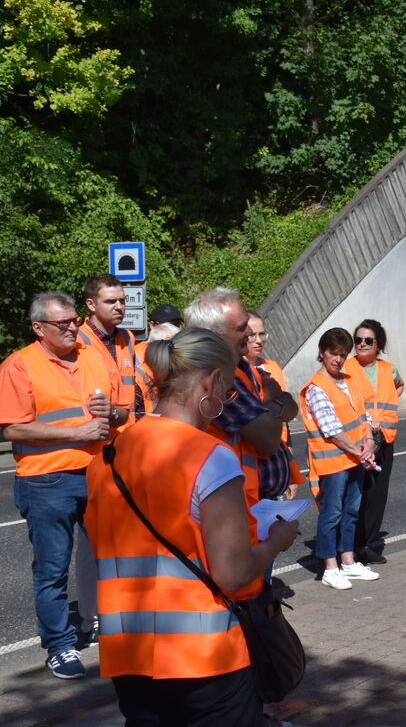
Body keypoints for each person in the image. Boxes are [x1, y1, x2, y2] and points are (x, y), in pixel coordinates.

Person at [86, 328, 299, 724]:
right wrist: (277, 541)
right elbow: (233, 573)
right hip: (203, 656)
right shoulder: (210, 456)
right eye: (228, 387)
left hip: (128, 649)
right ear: (211, 381)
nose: (227, 398)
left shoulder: (108, 458)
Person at [0, 291, 126, 679]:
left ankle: (115, 627)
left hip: (98, 473)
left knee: (114, 559)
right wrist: (79, 429)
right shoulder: (19, 364)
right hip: (46, 480)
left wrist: (114, 412)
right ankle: (59, 646)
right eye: (63, 324)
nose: (74, 328)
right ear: (39, 328)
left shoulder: (93, 355)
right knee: (52, 569)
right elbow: (11, 427)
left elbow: (123, 409)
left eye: (74, 321)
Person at [185, 288, 298, 506]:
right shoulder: (216, 379)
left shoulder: (243, 367)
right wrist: (274, 405)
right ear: (214, 336)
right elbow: (268, 440)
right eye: (240, 327)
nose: (250, 332)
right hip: (236, 501)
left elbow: (290, 406)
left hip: (254, 497)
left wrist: (272, 407)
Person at [299, 328, 381, 588]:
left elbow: (363, 416)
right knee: (332, 513)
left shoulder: (349, 380)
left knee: (351, 511)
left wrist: (368, 443)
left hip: (354, 458)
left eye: (343, 355)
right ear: (322, 353)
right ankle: (330, 566)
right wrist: (360, 451)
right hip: (333, 462)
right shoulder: (317, 387)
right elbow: (331, 429)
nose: (338, 359)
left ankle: (348, 561)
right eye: (334, 354)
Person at [345, 318, 404, 564]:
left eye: (368, 340)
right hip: (358, 440)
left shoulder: (388, 369)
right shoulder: (347, 367)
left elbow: (399, 386)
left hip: (384, 439)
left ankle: (367, 545)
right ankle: (351, 545)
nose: (362, 344)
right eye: (358, 340)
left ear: (378, 344)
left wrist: (384, 415)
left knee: (377, 494)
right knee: (358, 493)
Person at [244, 311, 302, 501]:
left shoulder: (273, 367)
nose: (259, 340)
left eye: (262, 334)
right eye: (253, 335)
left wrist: (291, 468)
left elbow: (286, 421)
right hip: (253, 462)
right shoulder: (235, 372)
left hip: (278, 455)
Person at [78, 274, 139, 423]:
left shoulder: (127, 337)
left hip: (126, 431)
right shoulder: (77, 340)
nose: (119, 307)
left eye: (122, 301)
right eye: (111, 302)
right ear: (91, 305)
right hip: (97, 432)